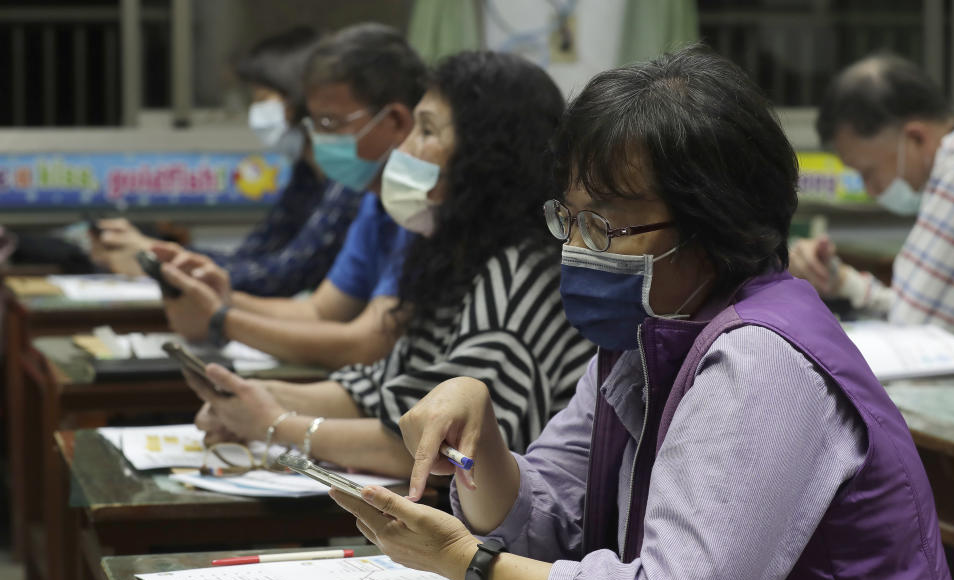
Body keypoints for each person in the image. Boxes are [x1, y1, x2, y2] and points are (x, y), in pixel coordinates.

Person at [328, 46, 954, 580]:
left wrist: (466, 563)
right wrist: (483, 438)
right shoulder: (646, 332)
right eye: (568, 218)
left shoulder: (758, 359)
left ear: (713, 224)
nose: (576, 247)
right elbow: (548, 521)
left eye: (606, 224)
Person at [183, 51, 594, 479]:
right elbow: (385, 387)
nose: (406, 147)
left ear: (489, 157)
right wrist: (263, 395)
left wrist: (275, 425)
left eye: (427, 130)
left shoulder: (519, 275)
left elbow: (439, 449)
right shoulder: (455, 254)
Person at [156, 23, 425, 368]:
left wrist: (222, 318)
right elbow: (319, 311)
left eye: (330, 123)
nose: (319, 138)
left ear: (396, 122)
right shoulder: (376, 200)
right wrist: (222, 299)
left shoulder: (421, 205)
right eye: (314, 123)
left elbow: (367, 343)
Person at [91, 26, 364, 297]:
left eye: (262, 99)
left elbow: (280, 277)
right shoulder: (306, 175)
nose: (255, 113)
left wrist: (160, 259)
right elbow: (251, 256)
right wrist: (155, 251)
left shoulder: (349, 178)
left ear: (301, 98)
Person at [790, 54, 954, 332]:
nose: (869, 190)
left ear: (916, 138)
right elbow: (913, 308)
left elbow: (914, 331)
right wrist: (841, 282)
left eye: (868, 172)